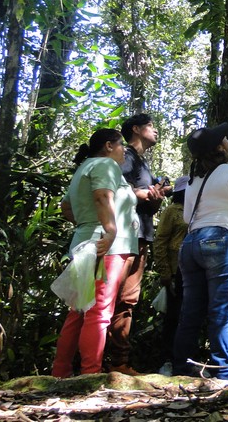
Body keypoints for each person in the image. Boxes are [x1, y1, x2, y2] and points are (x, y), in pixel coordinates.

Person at [173, 123, 228, 382]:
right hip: (222, 240)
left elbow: (188, 216)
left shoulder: (194, 179)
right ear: (219, 147)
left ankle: (180, 371)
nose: (227, 138)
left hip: (190, 245)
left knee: (191, 312)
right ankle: (221, 374)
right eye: (223, 137)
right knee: (221, 312)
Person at [52, 128, 139, 377]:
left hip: (86, 242)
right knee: (100, 311)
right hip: (106, 246)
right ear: (109, 146)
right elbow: (102, 197)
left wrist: (86, 224)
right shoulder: (105, 164)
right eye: (122, 145)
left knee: (79, 311)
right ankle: (91, 374)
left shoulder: (84, 167)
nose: (124, 151)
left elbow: (67, 207)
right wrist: (109, 231)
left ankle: (61, 372)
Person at [107, 113, 170, 375]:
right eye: (151, 126)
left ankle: (118, 364)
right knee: (109, 299)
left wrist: (155, 196)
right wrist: (142, 193)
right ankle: (96, 363)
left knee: (127, 301)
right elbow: (111, 190)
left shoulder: (142, 163)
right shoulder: (124, 156)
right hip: (121, 238)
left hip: (140, 236)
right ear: (136, 129)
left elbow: (148, 205)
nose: (156, 131)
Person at [152, 175, 190, 376]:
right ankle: (167, 360)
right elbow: (160, 242)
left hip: (193, 271)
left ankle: (186, 360)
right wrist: (165, 272)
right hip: (176, 271)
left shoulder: (197, 211)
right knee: (173, 318)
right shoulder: (171, 212)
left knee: (190, 316)